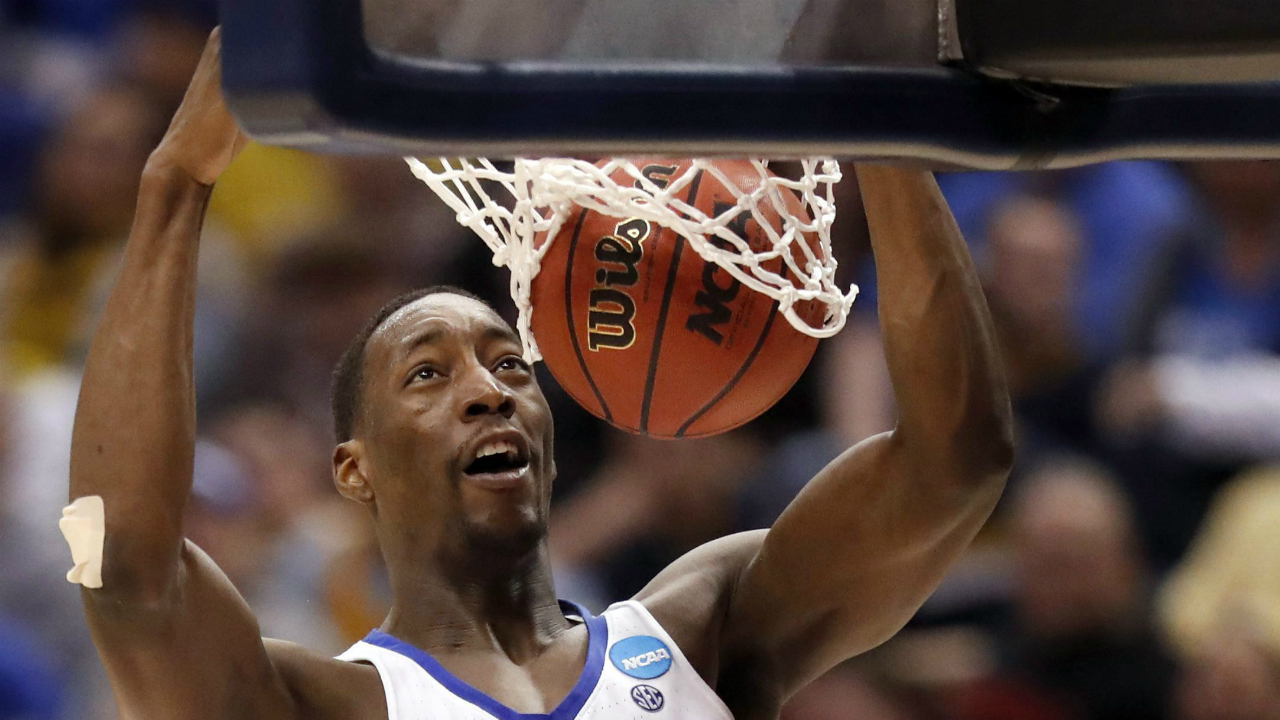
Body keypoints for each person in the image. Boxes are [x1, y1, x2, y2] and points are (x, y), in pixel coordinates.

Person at [68, 31, 1013, 720]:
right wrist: (175, 185)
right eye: (427, 375)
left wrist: (883, 127)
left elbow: (954, 462)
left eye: (510, 363)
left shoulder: (703, 633)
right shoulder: (329, 703)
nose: (489, 390)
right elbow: (118, 565)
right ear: (352, 468)